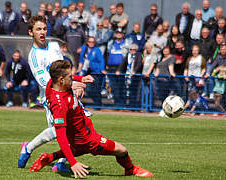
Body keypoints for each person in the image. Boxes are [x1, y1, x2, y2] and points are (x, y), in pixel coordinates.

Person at [29, 60, 153, 178]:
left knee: (78, 149)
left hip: (80, 136)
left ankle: (50, 157)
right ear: (61, 80)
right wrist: (73, 163)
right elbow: (60, 136)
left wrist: (80, 79)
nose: (72, 79)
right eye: (70, 77)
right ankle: (131, 169)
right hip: (88, 139)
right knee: (122, 150)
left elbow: (63, 83)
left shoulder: (52, 84)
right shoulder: (59, 105)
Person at [18, 15, 93, 172]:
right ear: (31, 32)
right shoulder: (33, 56)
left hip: (67, 93)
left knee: (75, 127)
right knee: (58, 131)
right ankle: (28, 148)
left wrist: (79, 78)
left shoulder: (54, 46)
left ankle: (60, 162)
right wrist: (73, 84)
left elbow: (63, 72)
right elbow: (45, 81)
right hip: (51, 96)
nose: (42, 32)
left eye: (44, 28)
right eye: (38, 29)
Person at [205, 44, 226, 116]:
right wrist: (208, 73)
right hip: (219, 80)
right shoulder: (218, 57)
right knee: (218, 98)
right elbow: (213, 65)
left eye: (224, 49)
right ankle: (221, 112)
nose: (223, 51)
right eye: (222, 49)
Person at [77, 36, 106, 107]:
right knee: (88, 88)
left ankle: (98, 104)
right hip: (86, 72)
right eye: (90, 42)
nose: (91, 43)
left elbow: (101, 60)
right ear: (87, 42)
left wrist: (102, 69)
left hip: (95, 72)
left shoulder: (97, 50)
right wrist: (79, 69)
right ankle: (96, 103)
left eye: (93, 42)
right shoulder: (84, 49)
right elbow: (81, 60)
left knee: (96, 89)